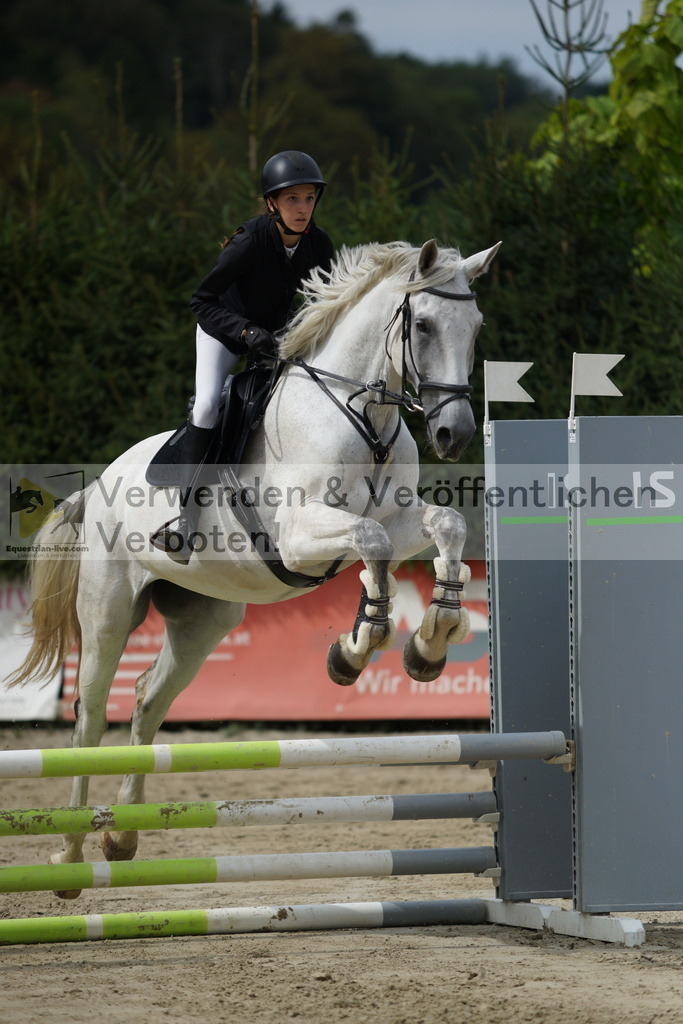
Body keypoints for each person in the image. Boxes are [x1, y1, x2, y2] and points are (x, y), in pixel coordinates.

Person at [152, 150, 335, 563]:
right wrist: (244, 330)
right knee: (206, 408)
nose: (302, 208)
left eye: (308, 199)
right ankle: (185, 521)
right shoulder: (249, 242)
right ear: (272, 203)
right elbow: (202, 300)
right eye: (292, 200)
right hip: (223, 333)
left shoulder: (318, 244)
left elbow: (327, 299)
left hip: (272, 338)